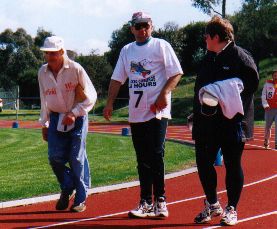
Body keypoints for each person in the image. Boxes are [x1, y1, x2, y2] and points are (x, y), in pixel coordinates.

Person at [103, 12, 183, 218]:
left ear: (151, 26)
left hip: (157, 110)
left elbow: (176, 72)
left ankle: (161, 201)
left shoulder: (160, 46)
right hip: (137, 112)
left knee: (156, 154)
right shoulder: (127, 51)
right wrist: (109, 102)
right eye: (137, 26)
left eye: (145, 25)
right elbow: (117, 79)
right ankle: (145, 201)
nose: (142, 30)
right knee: (142, 158)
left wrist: (165, 93)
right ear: (131, 29)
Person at [192, 16, 259, 226]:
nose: (204, 39)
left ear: (216, 36)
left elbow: (251, 83)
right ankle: (212, 204)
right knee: (203, 162)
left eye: (206, 36)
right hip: (207, 123)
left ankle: (232, 208)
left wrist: (227, 91)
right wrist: (196, 113)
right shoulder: (207, 59)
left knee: (232, 164)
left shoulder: (240, 56)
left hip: (233, 122)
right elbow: (199, 90)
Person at [38, 36, 97, 212]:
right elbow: (44, 99)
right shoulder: (42, 72)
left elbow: (91, 96)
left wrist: (75, 112)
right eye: (47, 53)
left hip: (77, 118)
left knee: (76, 158)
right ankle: (68, 184)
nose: (50, 57)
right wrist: (44, 123)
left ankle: (80, 198)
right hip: (56, 118)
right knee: (54, 157)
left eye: (54, 53)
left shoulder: (76, 69)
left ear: (62, 52)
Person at [261, 69, 277, 149]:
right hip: (269, 109)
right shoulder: (267, 84)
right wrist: (265, 105)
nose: (276, 77)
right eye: (275, 75)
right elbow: (263, 95)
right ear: (272, 76)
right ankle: (266, 140)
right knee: (268, 127)